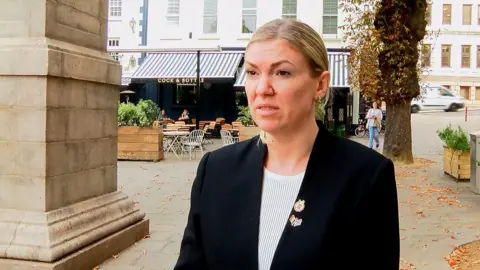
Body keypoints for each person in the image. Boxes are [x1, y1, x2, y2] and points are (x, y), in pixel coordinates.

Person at [175, 19, 399, 270]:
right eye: (252, 72)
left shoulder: (366, 176)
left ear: (320, 85)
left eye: (282, 72)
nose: (262, 88)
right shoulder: (216, 170)